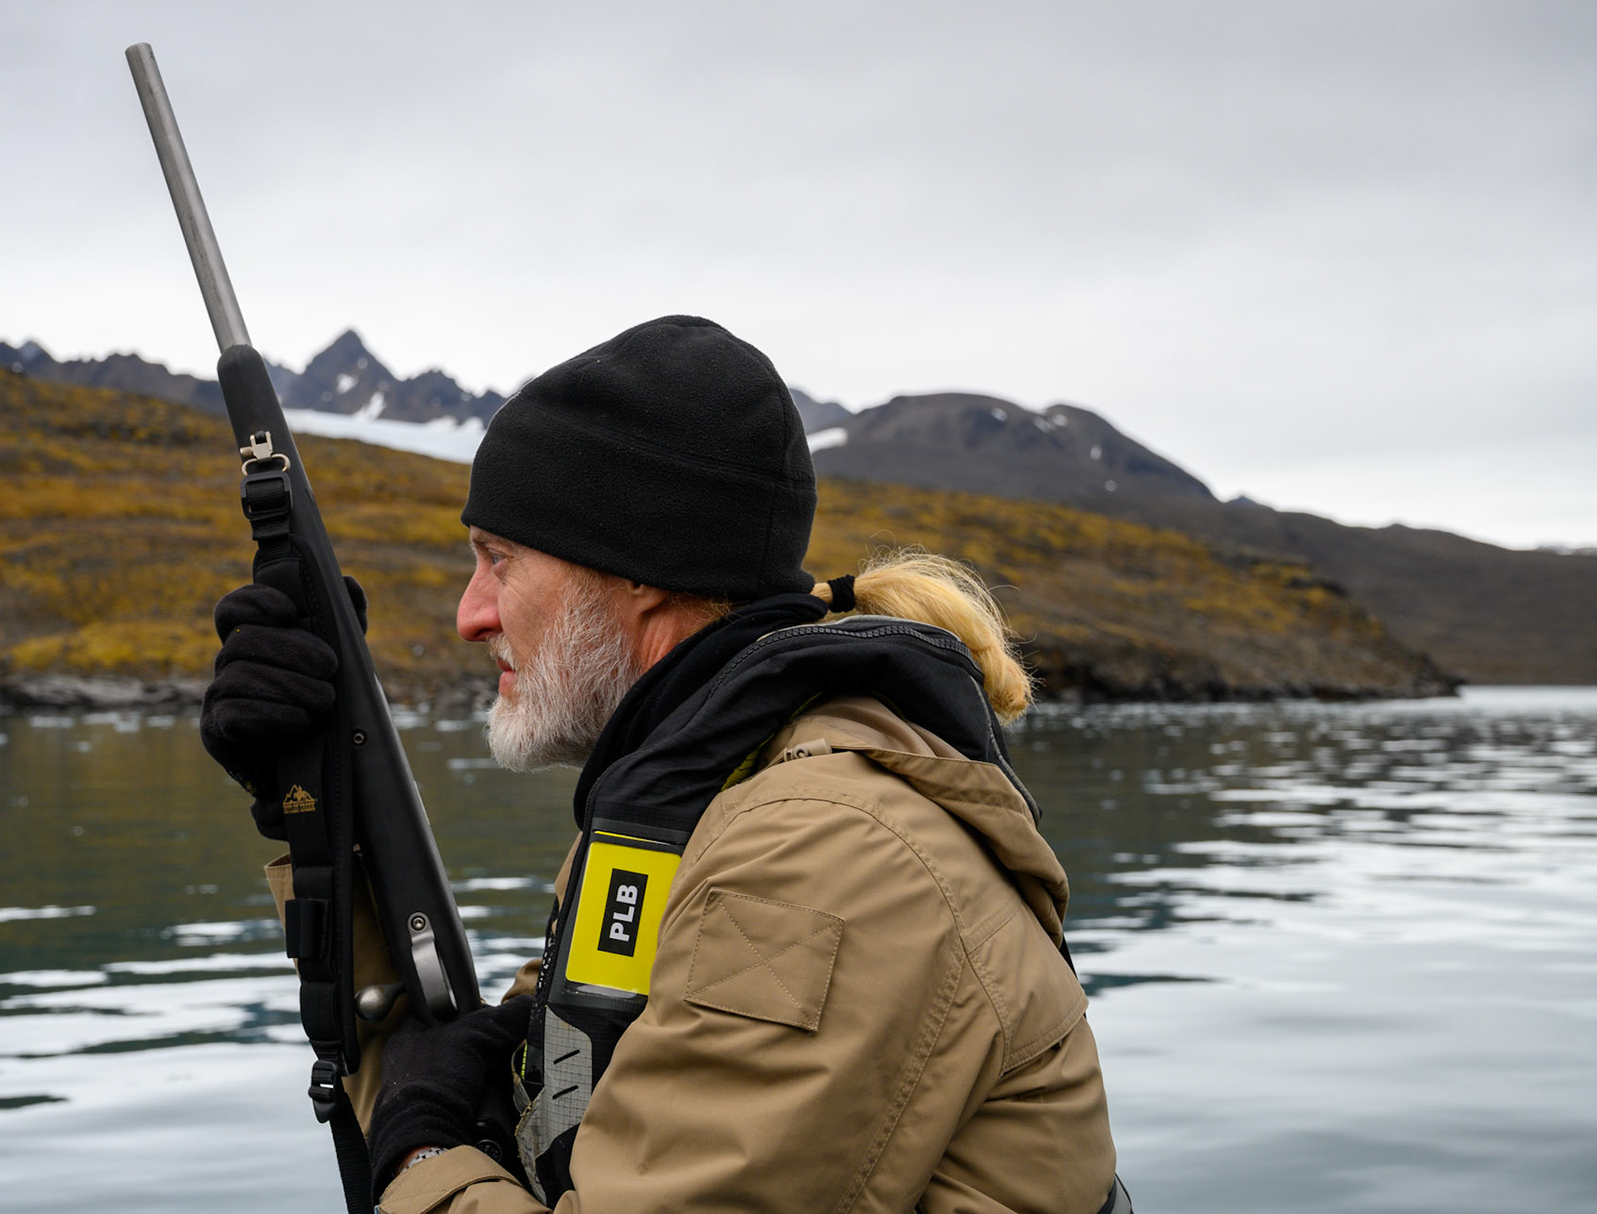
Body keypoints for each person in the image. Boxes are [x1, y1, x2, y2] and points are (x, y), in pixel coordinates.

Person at [201, 315, 1124, 1214]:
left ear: (636, 569)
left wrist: (419, 1146)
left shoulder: (825, 859)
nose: (471, 613)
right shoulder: (700, 804)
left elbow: (431, 1115)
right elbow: (504, 1087)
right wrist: (316, 806)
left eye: (500, 561)